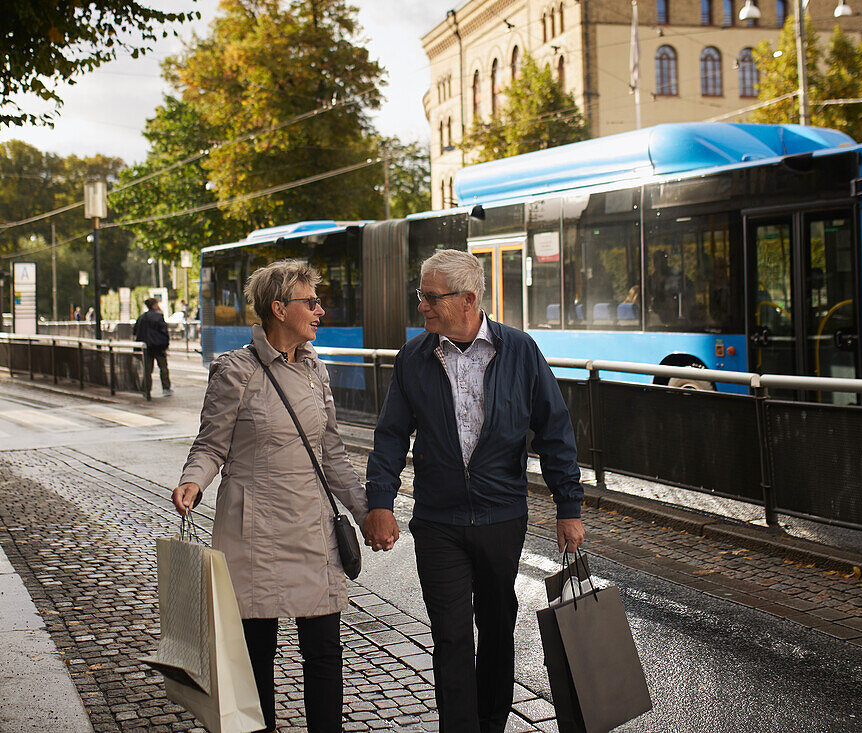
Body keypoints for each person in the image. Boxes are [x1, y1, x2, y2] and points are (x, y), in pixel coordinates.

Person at [363, 249, 585, 733]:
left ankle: (491, 723)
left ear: (468, 299)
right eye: (419, 295)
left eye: (430, 297)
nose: (421, 306)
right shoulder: (414, 357)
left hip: (502, 517)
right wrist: (379, 501)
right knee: (450, 637)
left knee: (498, 629)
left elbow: (554, 430)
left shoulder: (520, 350)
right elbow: (390, 436)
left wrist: (569, 506)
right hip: (438, 521)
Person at [171, 260, 368, 732]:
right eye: (311, 302)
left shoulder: (317, 372)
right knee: (255, 657)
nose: (321, 310)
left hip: (312, 530)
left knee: (324, 650)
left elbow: (333, 455)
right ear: (279, 308)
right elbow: (211, 444)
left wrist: (369, 511)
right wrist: (193, 481)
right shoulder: (234, 370)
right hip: (253, 535)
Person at [134, 297, 173, 396]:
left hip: (146, 347)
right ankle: (166, 388)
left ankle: (146, 389)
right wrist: (165, 345)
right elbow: (164, 332)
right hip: (158, 347)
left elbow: (135, 331)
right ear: (155, 305)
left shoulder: (142, 317)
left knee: (147, 370)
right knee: (163, 367)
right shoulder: (158, 316)